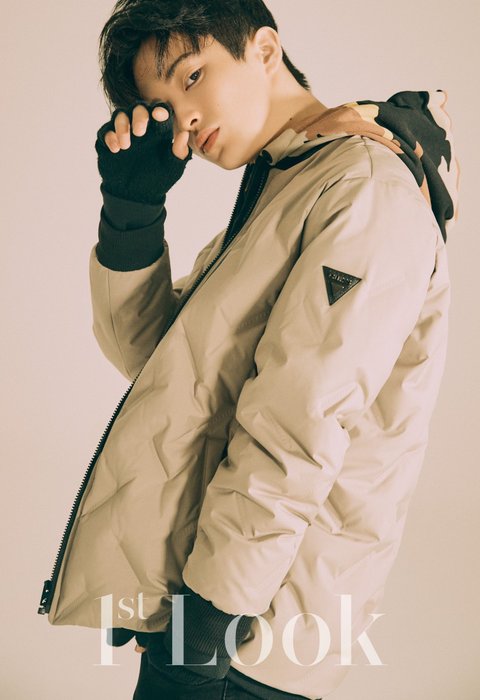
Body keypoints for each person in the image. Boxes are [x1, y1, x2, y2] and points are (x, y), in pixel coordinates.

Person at [37, 1, 460, 698]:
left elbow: (297, 429)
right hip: (213, 601)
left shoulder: (363, 190)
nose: (183, 117)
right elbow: (159, 360)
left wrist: (203, 630)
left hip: (252, 633)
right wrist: (132, 213)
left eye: (192, 76)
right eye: (164, 104)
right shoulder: (290, 182)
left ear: (264, 49)